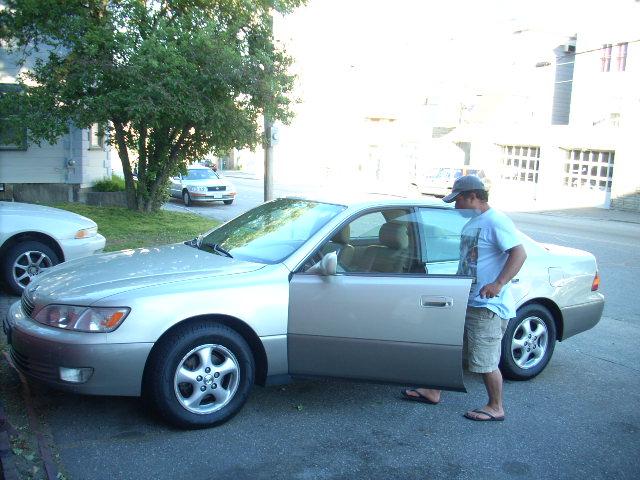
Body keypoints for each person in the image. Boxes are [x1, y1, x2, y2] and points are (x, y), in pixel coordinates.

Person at [402, 175, 527, 422]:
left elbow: (519, 254)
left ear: (473, 197)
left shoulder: (495, 221)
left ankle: (495, 406)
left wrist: (498, 284)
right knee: (449, 349)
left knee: (485, 359)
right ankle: (433, 390)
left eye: (458, 200)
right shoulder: (474, 222)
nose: (455, 206)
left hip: (486, 306)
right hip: (466, 300)